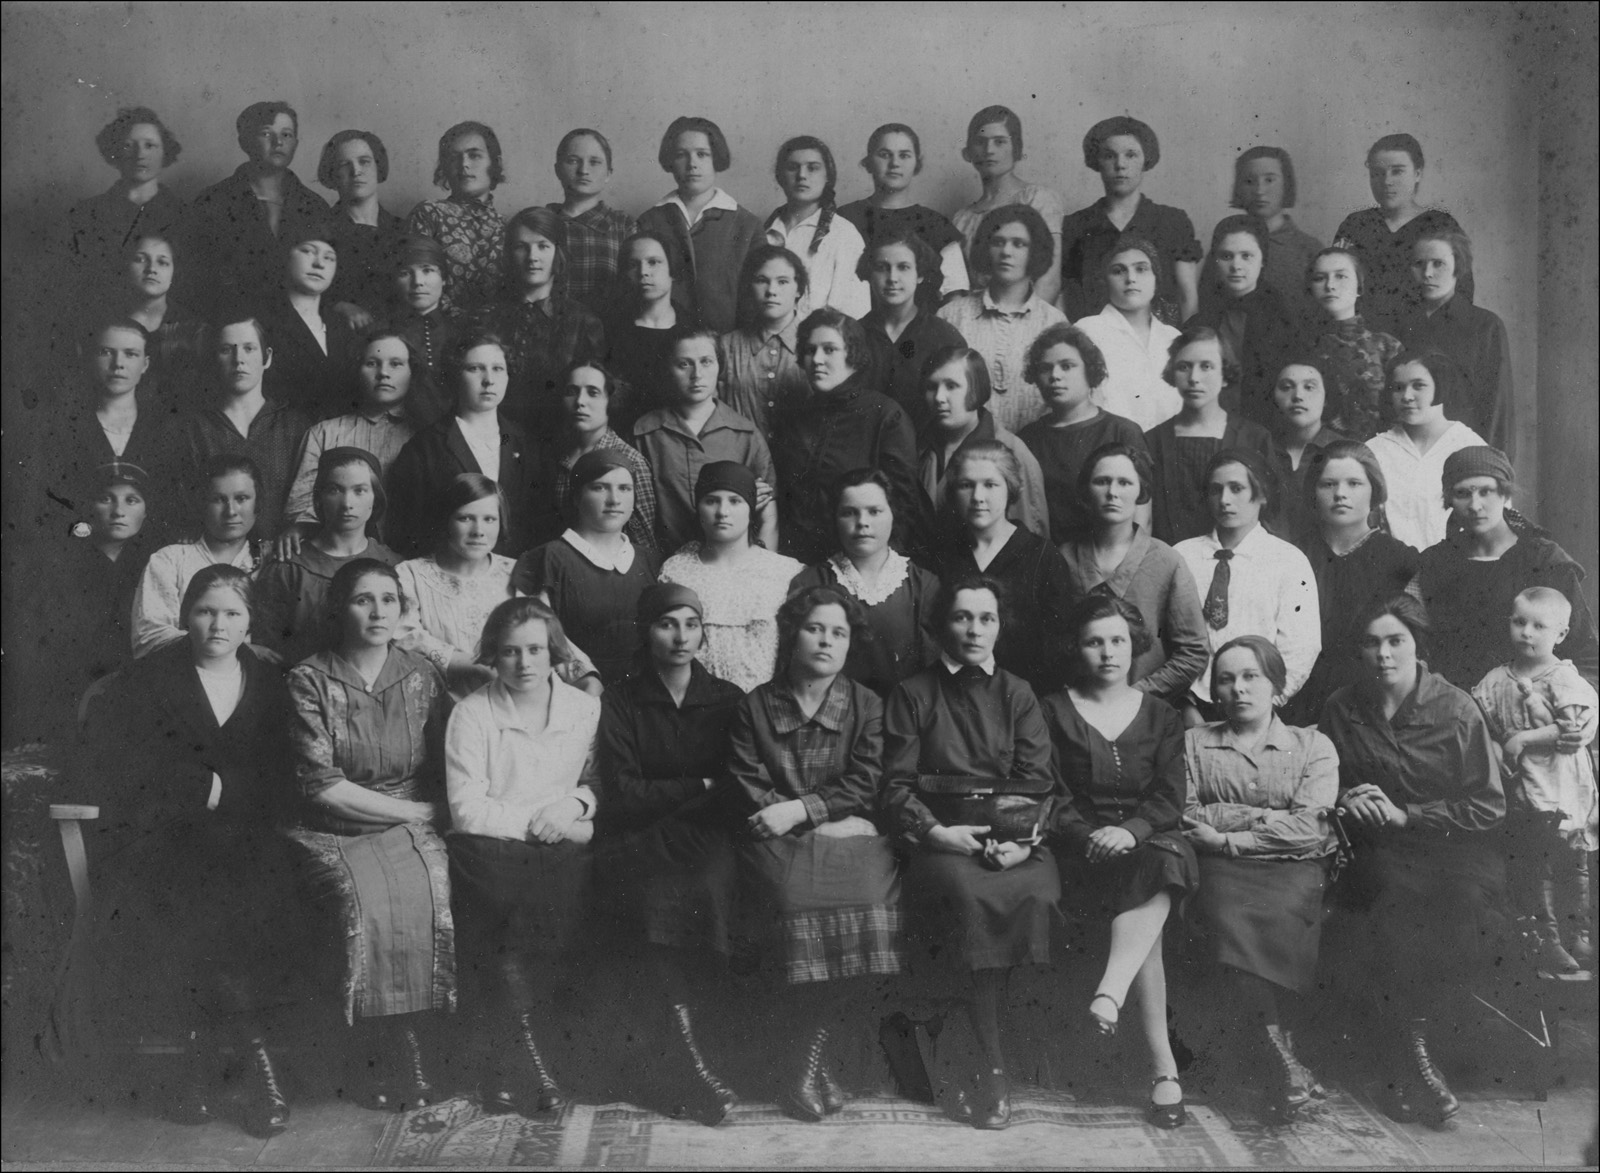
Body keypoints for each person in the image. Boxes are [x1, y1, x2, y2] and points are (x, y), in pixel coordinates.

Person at [79, 564, 299, 1138]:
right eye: (205, 611)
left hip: (249, 837)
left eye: (231, 613)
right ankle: (255, 1063)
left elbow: (285, 772)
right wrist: (203, 787)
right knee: (200, 893)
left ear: (249, 623)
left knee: (243, 891)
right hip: (163, 836)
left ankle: (199, 1063)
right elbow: (118, 763)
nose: (217, 625)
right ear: (184, 617)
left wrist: (235, 795)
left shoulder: (270, 683)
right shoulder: (148, 678)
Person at [1318, 594, 1505, 1127]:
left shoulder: (1456, 708)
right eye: (1371, 643)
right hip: (1375, 850)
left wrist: (1410, 815)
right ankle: (1411, 1063)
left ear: (1417, 645)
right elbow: (1321, 778)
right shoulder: (1341, 707)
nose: (1383, 654)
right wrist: (1346, 799)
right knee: (1390, 900)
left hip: (1453, 849)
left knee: (1460, 905)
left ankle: (1407, 1059)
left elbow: (1488, 804)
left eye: (1395, 641)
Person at [883, 574, 1062, 1130]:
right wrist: (937, 833)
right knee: (965, 899)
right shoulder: (913, 693)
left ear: (1000, 626)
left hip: (1012, 841)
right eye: (962, 617)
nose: (975, 630)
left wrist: (1018, 844)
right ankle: (992, 1068)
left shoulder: (1018, 693)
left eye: (987, 619)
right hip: (943, 840)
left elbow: (1037, 779)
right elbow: (895, 786)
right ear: (941, 626)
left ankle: (964, 1054)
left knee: (1037, 894)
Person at [725, 586, 903, 1121]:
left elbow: (866, 779)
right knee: (794, 901)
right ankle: (808, 1065)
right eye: (815, 629)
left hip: (846, 832)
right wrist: (796, 817)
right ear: (792, 634)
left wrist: (807, 810)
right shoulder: (754, 705)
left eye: (838, 633)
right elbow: (748, 782)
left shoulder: (866, 705)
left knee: (875, 904)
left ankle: (803, 1061)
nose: (826, 641)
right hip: (773, 835)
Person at [285, 559, 455, 1112]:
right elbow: (321, 785)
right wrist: (415, 813)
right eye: (363, 599)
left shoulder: (421, 674)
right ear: (340, 608)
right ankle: (372, 1052)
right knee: (362, 897)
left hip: (411, 818)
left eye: (388, 599)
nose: (378, 611)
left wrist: (426, 812)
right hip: (332, 822)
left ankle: (414, 1044)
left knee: (429, 885)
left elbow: (446, 760)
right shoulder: (308, 679)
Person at [1042, 594, 1198, 1129]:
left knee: (1164, 859)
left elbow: (1169, 797)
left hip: (1146, 842)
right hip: (1078, 850)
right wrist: (1090, 834)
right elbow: (1050, 792)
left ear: (1135, 646)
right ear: (1076, 648)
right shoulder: (1051, 710)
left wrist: (1130, 832)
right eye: (1094, 642)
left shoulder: (1162, 715)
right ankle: (1163, 1071)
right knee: (1151, 907)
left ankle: (1111, 998)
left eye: (1118, 641)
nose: (1108, 653)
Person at [594, 583, 746, 1124]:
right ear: (646, 632)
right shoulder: (621, 700)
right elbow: (623, 793)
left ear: (703, 632)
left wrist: (683, 794)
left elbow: (735, 786)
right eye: (667, 624)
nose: (681, 636)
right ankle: (681, 1067)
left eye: (691, 624)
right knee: (647, 904)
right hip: (638, 838)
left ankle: (704, 1056)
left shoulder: (728, 698)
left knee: (711, 894)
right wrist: (697, 785)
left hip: (708, 836)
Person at [446, 597, 602, 1115]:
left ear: (554, 651)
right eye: (510, 652)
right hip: (491, 843)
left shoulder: (584, 708)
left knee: (573, 903)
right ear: (493, 655)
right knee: (502, 910)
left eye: (535, 649)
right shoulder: (471, 714)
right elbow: (467, 808)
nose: (524, 662)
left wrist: (575, 805)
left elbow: (598, 779)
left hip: (560, 842)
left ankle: (536, 1055)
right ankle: (516, 1060)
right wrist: (545, 827)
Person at [1181, 636, 1340, 1120]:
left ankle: (1273, 1056)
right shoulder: (1194, 743)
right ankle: (1282, 1058)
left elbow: (1311, 828)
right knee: (1225, 912)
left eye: (1251, 676)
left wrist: (1228, 831)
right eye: (1226, 679)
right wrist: (1271, 819)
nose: (1238, 689)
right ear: (1214, 690)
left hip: (1293, 868)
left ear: (1276, 686)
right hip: (1220, 870)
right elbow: (1186, 814)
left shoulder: (1312, 746)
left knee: (1286, 911)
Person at [1472, 587, 1598, 975]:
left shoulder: (1564, 678)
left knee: (1572, 861)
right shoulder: (1496, 680)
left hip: (1562, 783)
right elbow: (1481, 725)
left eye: (1539, 626)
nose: (1526, 632)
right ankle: (1549, 937)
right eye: (1519, 622)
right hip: (1523, 786)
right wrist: (1498, 747)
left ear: (1561, 634)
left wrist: (1524, 738)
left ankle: (1580, 934)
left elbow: (1572, 729)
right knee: (1535, 861)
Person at [393, 472, 597, 698]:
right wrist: (472, 665)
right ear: (446, 520)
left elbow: (548, 633)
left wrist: (583, 676)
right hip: (443, 702)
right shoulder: (410, 574)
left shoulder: (519, 571)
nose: (478, 531)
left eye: (489, 519)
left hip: (514, 700)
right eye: (465, 518)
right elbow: (403, 634)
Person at [1418, 446, 1599, 691]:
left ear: (1504, 494)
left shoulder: (1543, 560)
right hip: (1457, 704)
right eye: (1462, 493)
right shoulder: (1436, 563)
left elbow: (1587, 654)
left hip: (1532, 700)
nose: (1475, 505)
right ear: (1449, 499)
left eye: (1486, 491)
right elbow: (1424, 648)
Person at [1174, 449, 1321, 723]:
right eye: (1216, 490)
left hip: (1261, 708)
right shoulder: (1182, 556)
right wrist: (1184, 705)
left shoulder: (1287, 560)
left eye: (1237, 488)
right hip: (1191, 707)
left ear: (1262, 494)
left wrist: (1263, 705)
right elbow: (1166, 638)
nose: (1225, 500)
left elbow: (1302, 646)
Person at [13, 460, 154, 745]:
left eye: (131, 500)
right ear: (89, 507)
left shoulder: (155, 565)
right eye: (106, 499)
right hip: (69, 698)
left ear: (146, 511)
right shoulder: (60, 566)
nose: (118, 511)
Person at [385, 332, 560, 559]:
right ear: (455, 375)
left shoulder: (529, 445)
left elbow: (544, 526)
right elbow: (408, 533)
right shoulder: (424, 448)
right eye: (475, 368)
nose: (489, 380)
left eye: (498, 369)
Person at [1059, 443, 1209, 708]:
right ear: (1086, 489)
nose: (1112, 492)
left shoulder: (1166, 561)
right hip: (1077, 709)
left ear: (1141, 490)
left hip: (1146, 710)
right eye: (1102, 481)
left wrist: (1135, 696)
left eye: (1124, 483)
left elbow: (1194, 651)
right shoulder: (1063, 559)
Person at [1286, 440, 1420, 725]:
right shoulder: (1291, 555)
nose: (1340, 494)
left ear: (1374, 491)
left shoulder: (1400, 561)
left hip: (1372, 703)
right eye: (1328, 484)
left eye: (1354, 483)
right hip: (1297, 700)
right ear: (1313, 492)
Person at [774, 309, 923, 565]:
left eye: (829, 349)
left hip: (860, 565)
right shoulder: (796, 418)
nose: (817, 359)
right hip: (796, 562)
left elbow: (902, 510)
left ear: (853, 355)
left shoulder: (886, 417)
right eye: (809, 350)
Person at [933, 442, 1073, 694]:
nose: (978, 497)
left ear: (1010, 489)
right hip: (951, 696)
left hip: (1026, 700)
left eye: (990, 485)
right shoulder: (942, 555)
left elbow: (1058, 648)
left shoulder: (1043, 557)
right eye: (966, 485)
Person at [789, 468, 941, 696]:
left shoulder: (924, 586)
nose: (862, 522)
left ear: (893, 514)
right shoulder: (809, 582)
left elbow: (933, 677)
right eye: (849, 513)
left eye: (874, 511)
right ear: (835, 518)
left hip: (905, 713)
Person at [514, 449, 660, 685]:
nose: (614, 500)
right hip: (578, 691)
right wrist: (586, 680)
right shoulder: (547, 559)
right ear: (576, 496)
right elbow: (538, 635)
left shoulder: (651, 561)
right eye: (599, 488)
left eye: (625, 488)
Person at [164, 314, 311, 541]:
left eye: (249, 348)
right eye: (226, 350)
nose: (238, 359)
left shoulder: (295, 425)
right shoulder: (191, 428)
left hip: (282, 555)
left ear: (267, 357)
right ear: (214, 359)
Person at [659, 462, 804, 692]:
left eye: (735, 501)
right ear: (698, 507)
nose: (722, 512)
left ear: (751, 508)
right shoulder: (677, 570)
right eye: (711, 501)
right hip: (695, 703)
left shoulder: (784, 572)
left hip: (762, 704)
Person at [632, 325, 778, 554]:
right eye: (684, 364)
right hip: (661, 561)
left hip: (731, 563)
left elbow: (769, 519)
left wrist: (757, 569)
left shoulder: (746, 436)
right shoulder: (645, 434)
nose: (697, 374)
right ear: (668, 369)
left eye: (706, 362)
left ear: (720, 366)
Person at [183, 100, 330, 314]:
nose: (278, 142)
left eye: (287, 134)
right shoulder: (212, 201)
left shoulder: (315, 207)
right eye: (266, 133)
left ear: (296, 143)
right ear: (245, 142)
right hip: (231, 319)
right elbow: (195, 277)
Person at [256, 447, 397, 667]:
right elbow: (267, 650)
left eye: (360, 490)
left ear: (375, 498)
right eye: (334, 490)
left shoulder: (393, 564)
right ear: (319, 497)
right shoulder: (289, 567)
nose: (347, 503)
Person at [282, 330, 425, 542]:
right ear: (357, 370)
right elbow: (300, 507)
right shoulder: (324, 433)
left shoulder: (427, 436)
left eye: (396, 364)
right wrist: (303, 527)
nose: (383, 373)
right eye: (372, 363)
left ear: (412, 372)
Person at [937, 205, 1068, 435]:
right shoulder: (951, 316)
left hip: (1034, 448)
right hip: (967, 448)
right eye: (998, 242)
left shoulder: (1054, 323)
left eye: (1019, 244)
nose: (1006, 251)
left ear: (1035, 251)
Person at [1144, 326, 1278, 546]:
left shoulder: (1254, 438)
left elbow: (1272, 516)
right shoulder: (1151, 442)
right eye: (1184, 367)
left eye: (1206, 366)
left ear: (1225, 375)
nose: (1194, 378)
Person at [475, 206, 606, 430]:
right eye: (521, 247)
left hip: (562, 436)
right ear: (509, 254)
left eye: (543, 246)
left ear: (558, 252)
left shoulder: (584, 321)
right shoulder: (487, 318)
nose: (532, 257)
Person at [1061, 117, 1202, 324]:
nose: (1120, 165)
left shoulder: (1172, 221)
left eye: (1131, 155)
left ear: (1146, 160)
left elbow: (1187, 297)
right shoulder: (1076, 225)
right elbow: (1062, 299)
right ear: (1096, 161)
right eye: (1109, 155)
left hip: (1161, 339)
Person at [1015, 323, 1145, 543]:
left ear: (1090, 371)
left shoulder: (1122, 432)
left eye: (1067, 366)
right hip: (1044, 557)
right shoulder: (1027, 439)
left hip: (1110, 557)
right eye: (1045, 368)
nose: (1055, 376)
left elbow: (1142, 521)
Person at [1332, 133, 1472, 333]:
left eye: (1397, 171)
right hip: (1364, 340)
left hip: (1426, 338)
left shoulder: (1440, 225)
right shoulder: (1355, 225)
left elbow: (1462, 294)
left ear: (1417, 173)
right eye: (1377, 173)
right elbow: (1335, 287)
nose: (1386, 181)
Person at [636, 116, 763, 334]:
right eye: (681, 155)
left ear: (716, 159)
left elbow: (758, 296)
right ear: (670, 161)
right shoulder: (650, 221)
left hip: (728, 343)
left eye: (702, 154)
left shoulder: (746, 225)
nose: (692, 164)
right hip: (663, 342)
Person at [131, 455, 265, 659]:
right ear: (202, 504)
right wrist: (241, 651)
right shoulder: (170, 560)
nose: (231, 511)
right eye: (218, 499)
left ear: (257, 503)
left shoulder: (271, 559)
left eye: (241, 498)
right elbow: (149, 638)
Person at [1395, 228, 1514, 457]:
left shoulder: (1485, 326)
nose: (1427, 273)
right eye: (1419, 264)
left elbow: (1498, 408)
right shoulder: (1400, 325)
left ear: (1458, 267)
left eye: (1438, 264)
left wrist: (1492, 465)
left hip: (1465, 453)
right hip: (1407, 451)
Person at [917, 345, 1048, 540]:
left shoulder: (1013, 452)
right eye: (931, 387)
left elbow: (1030, 541)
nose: (939, 398)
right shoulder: (920, 447)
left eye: (951, 386)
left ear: (976, 389)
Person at [1366, 349, 1487, 551]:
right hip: (1389, 565)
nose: (1407, 396)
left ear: (1440, 387)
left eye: (1418, 386)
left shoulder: (1470, 447)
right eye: (1398, 388)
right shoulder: (1375, 450)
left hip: (1457, 564)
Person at [1187, 215, 1300, 427]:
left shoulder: (1283, 321)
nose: (1236, 266)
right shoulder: (1200, 321)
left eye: (1246, 256)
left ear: (1263, 260)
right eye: (1226, 256)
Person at [66, 107, 186, 300]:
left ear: (165, 152)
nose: (140, 154)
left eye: (150, 145)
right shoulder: (86, 214)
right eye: (128, 146)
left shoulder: (184, 215)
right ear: (114, 153)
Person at [837, 123, 969, 297]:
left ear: (916, 164)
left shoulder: (936, 225)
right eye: (885, 155)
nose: (895, 163)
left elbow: (955, 297)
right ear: (868, 163)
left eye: (904, 155)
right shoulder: (844, 218)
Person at [950, 105, 1064, 305]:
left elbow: (1049, 280)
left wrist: (1021, 321)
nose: (989, 150)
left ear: (1016, 149)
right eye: (980, 142)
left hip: (1032, 313)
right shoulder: (962, 219)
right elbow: (956, 289)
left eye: (1000, 142)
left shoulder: (1038, 199)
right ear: (968, 152)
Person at [550, 359, 660, 563]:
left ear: (610, 400)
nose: (580, 401)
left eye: (593, 393)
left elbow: (644, 542)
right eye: (572, 392)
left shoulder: (630, 460)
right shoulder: (558, 456)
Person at [1072, 235, 1183, 431]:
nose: (1131, 278)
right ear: (1105, 282)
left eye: (1141, 269)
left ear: (1156, 280)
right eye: (1118, 271)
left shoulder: (1173, 338)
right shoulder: (1087, 331)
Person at [858, 227, 966, 423]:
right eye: (882, 267)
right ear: (869, 273)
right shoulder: (852, 335)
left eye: (903, 267)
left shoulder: (944, 338)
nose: (892, 278)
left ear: (920, 274)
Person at [256, 222, 361, 416]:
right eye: (308, 251)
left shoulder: (342, 325)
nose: (319, 264)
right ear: (286, 256)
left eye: (329, 258)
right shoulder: (262, 322)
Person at [762, 136, 870, 319]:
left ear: (828, 177)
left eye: (812, 168)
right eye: (793, 167)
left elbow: (851, 313)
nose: (802, 175)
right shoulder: (764, 232)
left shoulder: (843, 234)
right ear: (780, 176)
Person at [405, 121, 507, 314]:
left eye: (474, 155)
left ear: (495, 163)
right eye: (454, 158)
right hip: (438, 324)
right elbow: (416, 283)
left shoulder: (507, 225)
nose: (464, 164)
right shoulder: (429, 214)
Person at [1306, 247, 1402, 441]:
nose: (1330, 286)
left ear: (1359, 287)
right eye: (1320, 278)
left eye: (1341, 276)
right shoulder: (1302, 347)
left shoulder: (1387, 346)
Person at [317, 129, 405, 330]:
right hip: (341, 333)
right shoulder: (319, 231)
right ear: (333, 174)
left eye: (364, 162)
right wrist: (339, 306)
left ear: (378, 167)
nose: (356, 171)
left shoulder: (402, 229)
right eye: (344, 164)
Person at [718, 244, 810, 435]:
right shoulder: (725, 346)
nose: (771, 291)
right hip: (739, 452)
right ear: (749, 287)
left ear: (798, 289)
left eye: (782, 282)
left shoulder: (816, 344)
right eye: (762, 280)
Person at [109, 233, 207, 411]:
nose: (151, 269)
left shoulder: (194, 328)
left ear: (174, 271)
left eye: (162, 262)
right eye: (140, 259)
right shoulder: (107, 326)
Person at [606, 231, 691, 429]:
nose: (643, 272)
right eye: (633, 265)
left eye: (653, 262)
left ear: (672, 270)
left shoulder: (693, 330)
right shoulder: (608, 329)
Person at [547, 128, 637, 312]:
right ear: (557, 170)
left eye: (594, 162)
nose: (583, 170)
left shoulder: (624, 226)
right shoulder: (541, 222)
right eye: (573, 161)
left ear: (608, 173)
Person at [1229, 146, 1322, 318]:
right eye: (1249, 181)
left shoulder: (1309, 249)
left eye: (1269, 180)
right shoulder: (1225, 245)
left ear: (1286, 184)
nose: (1259, 191)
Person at [1268, 357, 1348, 542]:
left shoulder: (1346, 452)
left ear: (1327, 397)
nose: (1298, 396)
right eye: (1286, 387)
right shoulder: (1260, 448)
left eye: (1309, 387)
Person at [389, 234, 461, 423]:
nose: (418, 282)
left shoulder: (462, 331)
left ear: (443, 278)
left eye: (427, 270)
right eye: (405, 273)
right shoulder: (384, 333)